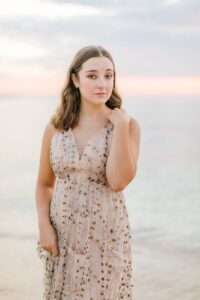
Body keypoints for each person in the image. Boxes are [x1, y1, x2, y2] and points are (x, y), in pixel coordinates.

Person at [35, 45, 140, 299]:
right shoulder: (55, 127)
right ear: (75, 79)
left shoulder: (128, 126)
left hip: (106, 240)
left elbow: (117, 181)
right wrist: (44, 227)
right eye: (92, 76)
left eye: (108, 75)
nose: (102, 83)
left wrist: (121, 125)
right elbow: (44, 184)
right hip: (63, 237)